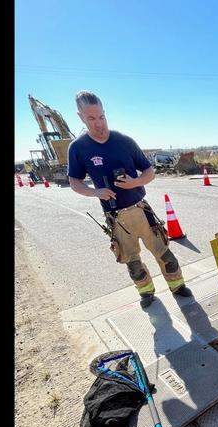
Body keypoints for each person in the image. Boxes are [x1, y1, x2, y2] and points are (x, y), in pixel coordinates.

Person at [67, 91, 192, 309]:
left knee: (165, 255)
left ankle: (177, 286)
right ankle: (146, 292)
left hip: (141, 209)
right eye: (91, 119)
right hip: (116, 217)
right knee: (133, 263)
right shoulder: (78, 148)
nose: (99, 124)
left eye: (102, 117)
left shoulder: (123, 141)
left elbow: (149, 171)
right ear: (81, 117)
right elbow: (75, 182)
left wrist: (135, 182)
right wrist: (95, 192)